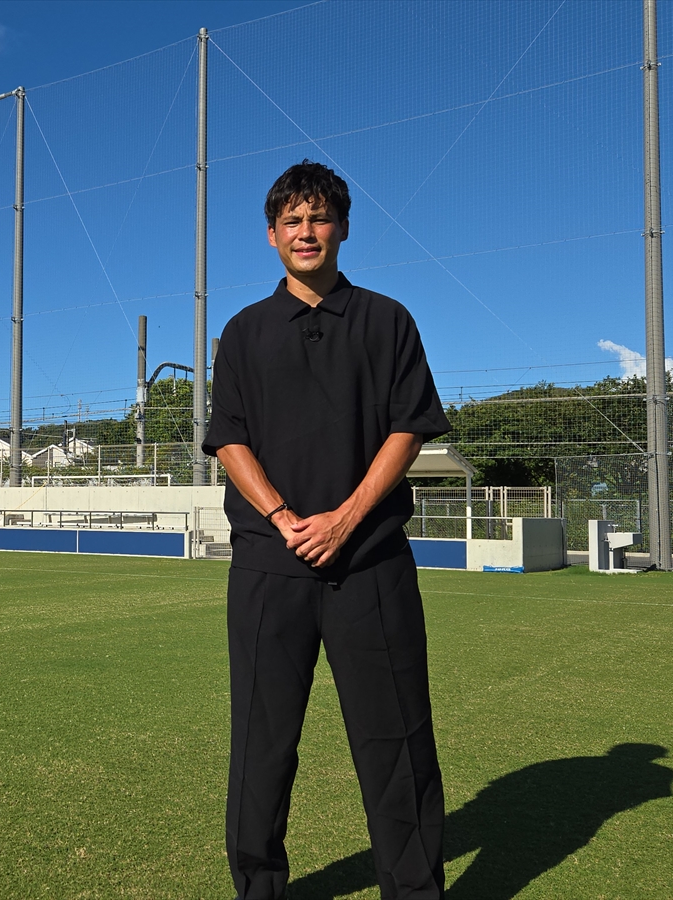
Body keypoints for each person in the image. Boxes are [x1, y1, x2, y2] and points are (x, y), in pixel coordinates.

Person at [202, 160, 451, 900]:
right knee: (263, 745)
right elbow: (228, 438)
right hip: (268, 570)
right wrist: (283, 517)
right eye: (290, 221)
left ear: (340, 227)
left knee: (397, 745)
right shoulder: (244, 332)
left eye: (317, 218)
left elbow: (409, 430)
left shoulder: (387, 320)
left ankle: (413, 891)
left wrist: (344, 520)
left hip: (370, 566)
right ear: (272, 235)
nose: (304, 232)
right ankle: (260, 887)